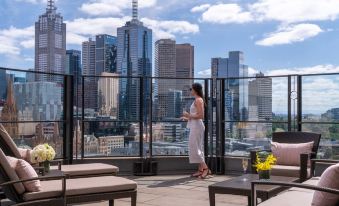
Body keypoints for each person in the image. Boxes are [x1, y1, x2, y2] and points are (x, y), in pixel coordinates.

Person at [181, 83, 211, 179]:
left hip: (197, 127)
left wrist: (188, 115)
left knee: (195, 147)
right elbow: (196, 116)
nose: (190, 90)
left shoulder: (198, 100)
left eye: (191, 89)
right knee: (198, 148)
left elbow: (201, 116)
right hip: (196, 125)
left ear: (195, 90)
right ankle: (200, 170)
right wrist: (187, 118)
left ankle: (206, 169)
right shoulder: (197, 100)